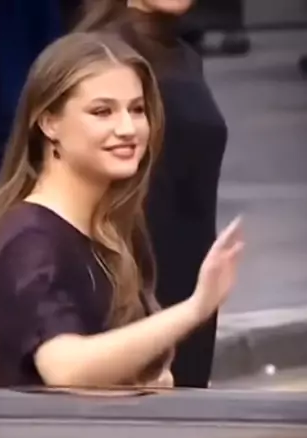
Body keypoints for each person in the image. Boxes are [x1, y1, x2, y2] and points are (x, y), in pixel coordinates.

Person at [0, 31, 243, 389]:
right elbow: (66, 369)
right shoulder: (29, 239)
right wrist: (195, 308)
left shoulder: (111, 227)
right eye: (102, 111)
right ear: (49, 122)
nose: (127, 128)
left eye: (137, 109)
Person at [76, 1, 229, 388]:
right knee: (139, 425)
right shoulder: (103, 54)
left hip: (190, 282)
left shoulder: (186, 56)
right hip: (131, 282)